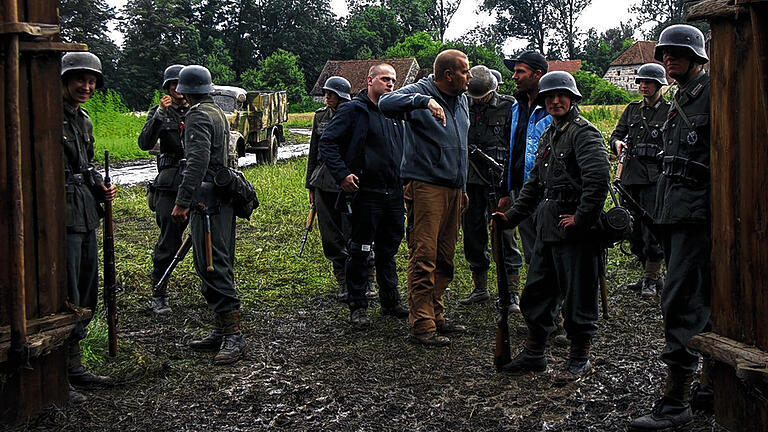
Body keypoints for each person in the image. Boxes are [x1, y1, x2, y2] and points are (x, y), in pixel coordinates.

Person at [494, 71, 609, 384]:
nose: (555, 101)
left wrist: (581, 219)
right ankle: (535, 353)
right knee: (538, 292)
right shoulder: (550, 134)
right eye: (549, 97)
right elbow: (533, 185)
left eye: (561, 96)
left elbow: (598, 181)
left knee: (578, 295)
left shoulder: (584, 133)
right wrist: (512, 217)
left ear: (572, 99)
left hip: (575, 229)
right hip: (548, 224)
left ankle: (580, 357)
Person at [630, 24, 712, 431]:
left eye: (678, 52)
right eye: (665, 53)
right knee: (695, 297)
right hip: (672, 212)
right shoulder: (681, 98)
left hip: (698, 215)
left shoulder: (713, 92)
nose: (669, 58)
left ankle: (676, 398)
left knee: (679, 299)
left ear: (698, 57)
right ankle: (708, 386)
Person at [379, 49, 471, 347]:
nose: (469, 76)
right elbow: (385, 102)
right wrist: (423, 101)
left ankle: (436, 313)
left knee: (445, 257)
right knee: (424, 255)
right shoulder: (421, 92)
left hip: (454, 189)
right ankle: (421, 324)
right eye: (464, 72)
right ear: (448, 75)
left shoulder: (464, 100)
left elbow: (461, 147)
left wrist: (463, 186)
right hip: (426, 186)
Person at [318, 64, 409, 325]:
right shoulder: (353, 110)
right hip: (365, 193)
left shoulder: (393, 112)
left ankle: (391, 301)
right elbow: (327, 143)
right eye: (384, 79)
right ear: (370, 80)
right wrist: (342, 174)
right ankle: (357, 305)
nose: (390, 84)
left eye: (393, 80)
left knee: (388, 250)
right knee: (359, 250)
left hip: (393, 192)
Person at [171, 65, 245, 366]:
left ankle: (233, 335)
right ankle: (220, 328)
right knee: (212, 260)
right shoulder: (215, 111)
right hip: (218, 197)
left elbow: (197, 162)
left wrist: (182, 201)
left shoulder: (198, 115)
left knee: (213, 263)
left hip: (207, 201)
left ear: (184, 90)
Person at [61, 52, 117, 395]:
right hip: (59, 217)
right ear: (65, 80)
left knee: (87, 287)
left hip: (85, 211)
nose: (86, 86)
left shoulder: (83, 120)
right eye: (79, 80)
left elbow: (87, 163)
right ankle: (58, 371)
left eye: (91, 81)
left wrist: (100, 185)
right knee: (65, 290)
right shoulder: (47, 117)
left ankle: (74, 363)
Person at [305, 76, 376, 301]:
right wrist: (309, 185)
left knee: (358, 233)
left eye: (332, 94)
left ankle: (368, 280)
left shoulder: (357, 114)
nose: (327, 97)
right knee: (331, 236)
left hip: (350, 181)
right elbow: (314, 152)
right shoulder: (320, 116)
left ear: (342, 96)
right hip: (323, 183)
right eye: (326, 92)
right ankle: (343, 282)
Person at [457, 65, 522, 309]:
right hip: (471, 180)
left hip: (499, 179)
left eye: (483, 95)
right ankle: (480, 287)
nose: (479, 100)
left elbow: (516, 142)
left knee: (505, 234)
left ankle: (511, 291)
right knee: (473, 234)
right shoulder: (462, 103)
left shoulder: (509, 106)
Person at [609, 63, 670, 297]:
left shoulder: (669, 110)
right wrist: (617, 144)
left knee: (652, 231)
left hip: (655, 178)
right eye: (641, 82)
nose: (643, 86)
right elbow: (616, 135)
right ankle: (648, 272)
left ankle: (651, 278)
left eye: (648, 82)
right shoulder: (632, 109)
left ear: (659, 85)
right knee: (632, 230)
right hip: (630, 177)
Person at [138, 64, 189, 314]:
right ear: (168, 88)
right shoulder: (160, 112)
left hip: (198, 179)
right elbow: (144, 143)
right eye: (173, 85)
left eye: (182, 85)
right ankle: (159, 291)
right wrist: (159, 114)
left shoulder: (199, 110)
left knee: (206, 238)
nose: (178, 90)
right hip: (170, 182)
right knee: (168, 241)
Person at [499, 51, 553, 267]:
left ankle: (559, 298)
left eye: (520, 71)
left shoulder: (553, 105)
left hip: (546, 189)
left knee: (549, 245)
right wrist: (506, 190)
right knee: (530, 247)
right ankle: (540, 295)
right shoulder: (516, 107)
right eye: (514, 72)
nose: (514, 76)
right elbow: (511, 151)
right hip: (522, 189)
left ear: (537, 74)